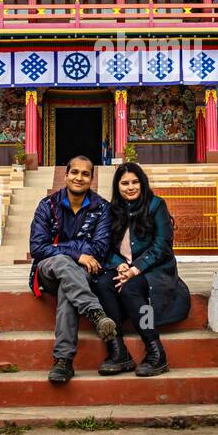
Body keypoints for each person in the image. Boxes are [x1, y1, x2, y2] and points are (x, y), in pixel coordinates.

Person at [89, 162, 191, 377]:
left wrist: (136, 269)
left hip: (155, 270)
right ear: (117, 186)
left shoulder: (156, 206)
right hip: (123, 269)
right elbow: (105, 247)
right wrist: (119, 264)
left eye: (135, 182)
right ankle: (117, 351)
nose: (130, 187)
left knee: (130, 289)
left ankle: (155, 349)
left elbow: (162, 246)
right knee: (104, 284)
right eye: (125, 183)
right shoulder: (112, 211)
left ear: (142, 183)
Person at [28, 155, 117, 384]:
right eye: (74, 172)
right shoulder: (47, 205)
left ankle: (63, 361)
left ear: (91, 178)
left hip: (83, 273)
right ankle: (95, 313)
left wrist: (61, 248)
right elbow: (38, 248)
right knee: (62, 262)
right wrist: (77, 254)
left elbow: (99, 248)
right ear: (65, 175)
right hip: (48, 270)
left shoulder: (102, 208)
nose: (79, 177)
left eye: (85, 173)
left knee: (68, 289)